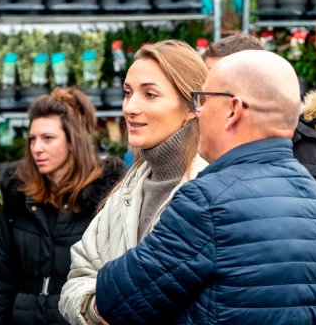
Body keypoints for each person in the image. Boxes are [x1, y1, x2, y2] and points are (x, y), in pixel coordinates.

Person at [95, 50, 316, 324]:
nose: (198, 112)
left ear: (233, 110)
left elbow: (117, 299)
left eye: (203, 100)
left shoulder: (208, 201)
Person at [202, 32, 316, 325]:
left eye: (216, 83)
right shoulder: (240, 147)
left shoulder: (306, 152)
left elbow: (304, 259)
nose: (204, 96)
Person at [59, 40, 208, 325]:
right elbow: (79, 275)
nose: (130, 107)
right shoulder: (126, 190)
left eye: (150, 94)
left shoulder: (210, 188)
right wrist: (96, 308)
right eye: (127, 93)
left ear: (193, 107)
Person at [0, 87, 126, 325]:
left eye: (48, 138)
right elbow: (1, 278)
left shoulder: (103, 199)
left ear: (73, 141)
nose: (36, 148)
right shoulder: (20, 196)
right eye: (32, 139)